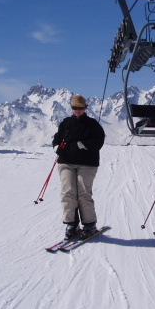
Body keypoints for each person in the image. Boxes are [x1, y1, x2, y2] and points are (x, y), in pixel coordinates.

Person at [52, 95, 105, 241]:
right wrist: (57, 148)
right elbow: (56, 139)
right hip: (66, 162)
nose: (77, 111)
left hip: (87, 163)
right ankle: (71, 224)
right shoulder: (66, 123)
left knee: (83, 193)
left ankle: (89, 225)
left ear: (85, 108)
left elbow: (99, 141)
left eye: (80, 108)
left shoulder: (92, 124)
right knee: (68, 192)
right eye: (75, 108)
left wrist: (81, 145)